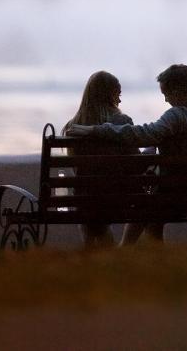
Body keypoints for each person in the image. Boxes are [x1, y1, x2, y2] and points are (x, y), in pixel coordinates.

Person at [67, 64, 187, 244]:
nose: (166, 100)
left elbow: (141, 134)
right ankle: (132, 253)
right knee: (150, 206)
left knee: (150, 206)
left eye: (166, 94)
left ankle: (130, 253)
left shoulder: (175, 116)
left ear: (177, 91)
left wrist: (96, 130)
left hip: (170, 202)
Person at [61, 70, 133, 248]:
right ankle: (105, 259)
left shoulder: (72, 127)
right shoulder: (123, 122)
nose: (120, 100)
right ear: (109, 95)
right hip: (120, 198)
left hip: (87, 200)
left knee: (88, 196)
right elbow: (135, 163)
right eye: (118, 94)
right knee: (95, 203)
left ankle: (92, 256)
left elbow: (77, 170)